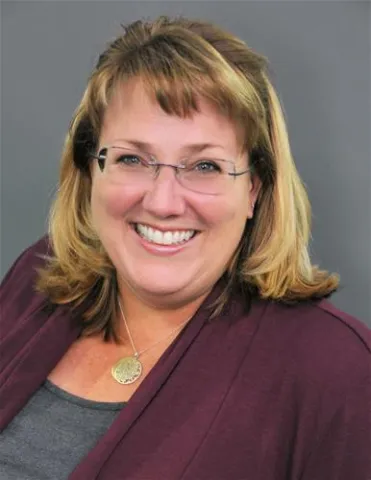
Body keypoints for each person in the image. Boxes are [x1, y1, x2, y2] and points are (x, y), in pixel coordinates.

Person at [0, 15, 369, 480]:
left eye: (205, 167)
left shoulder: (335, 368)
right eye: (132, 158)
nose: (163, 201)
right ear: (91, 168)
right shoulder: (36, 281)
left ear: (254, 189)